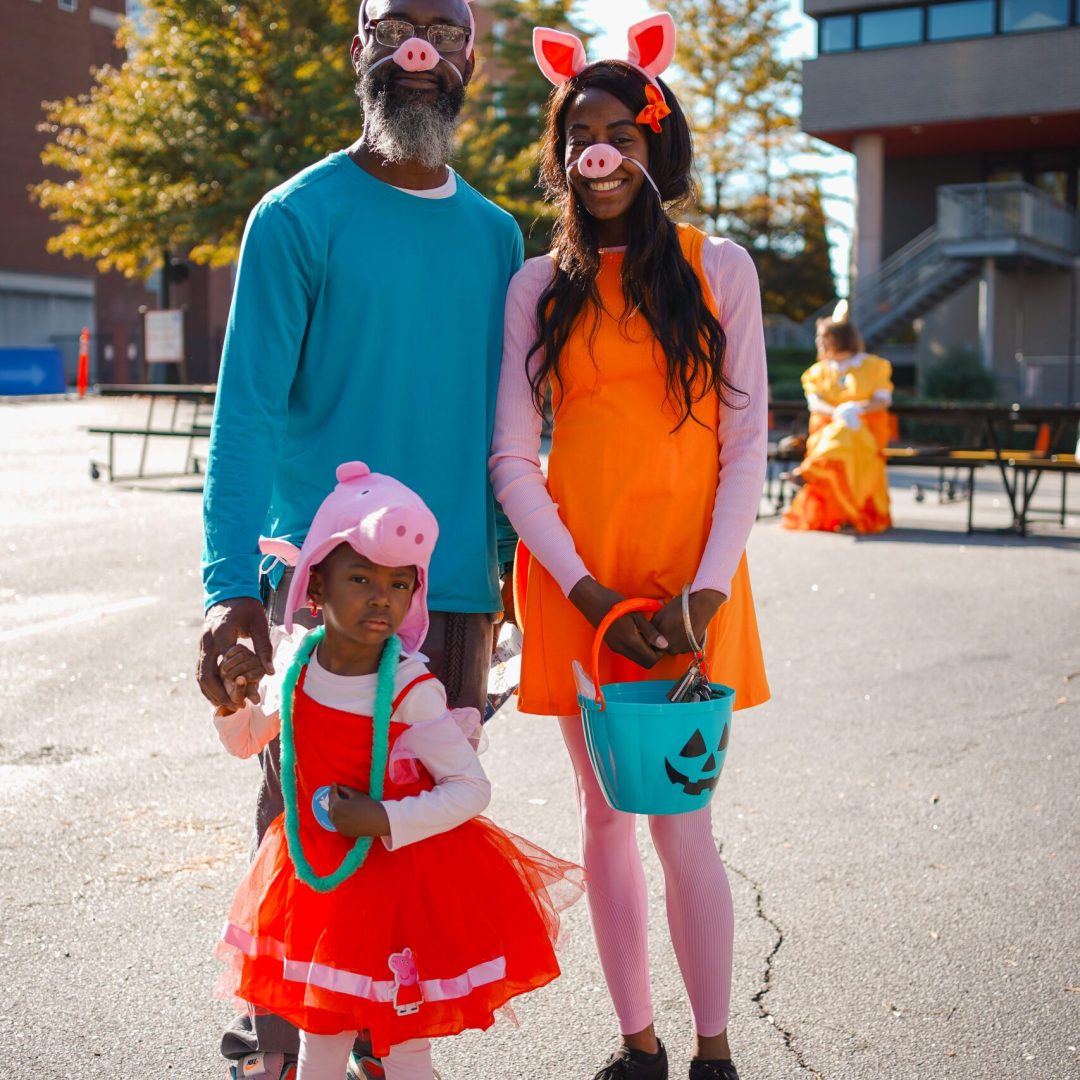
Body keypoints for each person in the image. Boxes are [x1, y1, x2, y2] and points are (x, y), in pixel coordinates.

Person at [196, 1, 522, 1074]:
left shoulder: (497, 236)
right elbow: (245, 414)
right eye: (394, 27)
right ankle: (282, 1049)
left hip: (453, 589)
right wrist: (227, 587)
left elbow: (504, 426)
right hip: (318, 592)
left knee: (415, 824)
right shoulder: (296, 216)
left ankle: (385, 1044)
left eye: (442, 30)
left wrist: (504, 575)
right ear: (360, 49)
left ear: (469, 57)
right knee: (304, 825)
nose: (418, 50)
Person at [489, 16, 770, 1080]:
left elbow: (746, 447)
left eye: (619, 134)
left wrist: (706, 590)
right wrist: (588, 593)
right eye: (578, 136)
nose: (596, 154)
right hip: (578, 590)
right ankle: (638, 1045)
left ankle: (715, 1053)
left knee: (681, 820)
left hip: (694, 589)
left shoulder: (720, 268)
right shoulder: (537, 286)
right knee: (604, 815)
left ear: (657, 145)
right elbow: (512, 460)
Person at [213, 462, 581, 1080]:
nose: (382, 596)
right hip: (317, 882)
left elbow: (470, 789)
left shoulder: (410, 686)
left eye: (400, 583)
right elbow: (250, 739)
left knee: (406, 1046)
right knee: (320, 1035)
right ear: (316, 585)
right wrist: (233, 704)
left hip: (399, 883)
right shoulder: (297, 664)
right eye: (360, 578)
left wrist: (382, 817)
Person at [782, 303, 894, 533]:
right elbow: (815, 404)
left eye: (824, 337)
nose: (819, 342)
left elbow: (882, 400)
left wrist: (856, 410)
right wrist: (839, 414)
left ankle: (809, 471)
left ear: (841, 338)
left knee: (849, 442)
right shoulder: (817, 372)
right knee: (843, 439)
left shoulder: (874, 366)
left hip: (866, 435)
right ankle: (844, 513)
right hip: (827, 433)